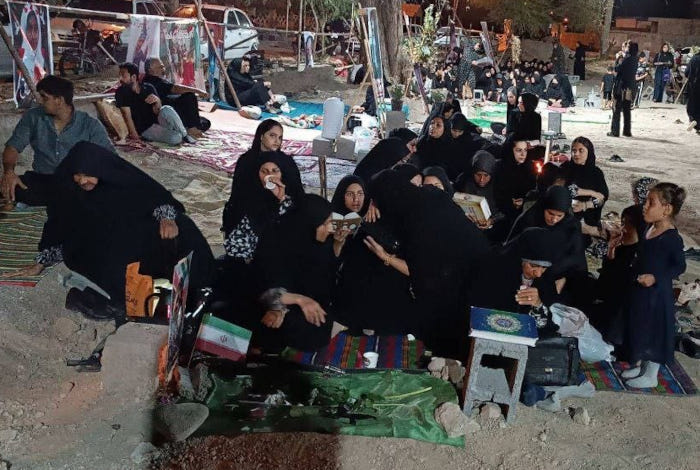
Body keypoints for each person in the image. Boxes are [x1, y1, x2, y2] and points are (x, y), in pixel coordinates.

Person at [2, 142, 215, 321]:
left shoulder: (121, 180)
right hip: (104, 246)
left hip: (138, 235)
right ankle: (130, 303)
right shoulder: (69, 190)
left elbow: (152, 194)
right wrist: (42, 262)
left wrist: (167, 218)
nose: (83, 181)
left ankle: (200, 289)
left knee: (182, 229)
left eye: (89, 175)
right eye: (78, 175)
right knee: (105, 262)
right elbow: (58, 224)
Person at [368, 169, 490, 356]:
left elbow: (419, 271)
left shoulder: (417, 221)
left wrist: (385, 256)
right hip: (479, 269)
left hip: (461, 286)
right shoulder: (431, 195)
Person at [1, 75, 115, 205]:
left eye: (45, 98)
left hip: (76, 182)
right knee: (8, 188)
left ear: (59, 100)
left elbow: (110, 157)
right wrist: (9, 172)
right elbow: (13, 147)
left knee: (98, 195)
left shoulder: (89, 125)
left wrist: (93, 178)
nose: (40, 102)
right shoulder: (33, 117)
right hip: (43, 180)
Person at [622, 183, 686, 388]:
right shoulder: (649, 228)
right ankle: (641, 367)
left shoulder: (671, 238)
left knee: (655, 334)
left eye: (651, 203)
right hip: (642, 293)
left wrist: (656, 277)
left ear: (666, 209)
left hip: (658, 296)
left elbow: (679, 266)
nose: (645, 206)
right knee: (642, 329)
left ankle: (651, 374)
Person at [254, 194, 337, 352]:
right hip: (275, 309)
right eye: (326, 224)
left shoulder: (319, 244)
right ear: (309, 223)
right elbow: (262, 286)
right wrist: (299, 300)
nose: (331, 229)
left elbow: (325, 283)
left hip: (308, 310)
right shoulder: (274, 243)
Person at [470, 227, 558, 333]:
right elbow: (479, 312)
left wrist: (537, 305)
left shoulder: (546, 279)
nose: (538, 274)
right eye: (533, 266)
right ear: (520, 259)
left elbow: (545, 325)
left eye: (544, 267)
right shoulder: (494, 270)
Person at [115, 62, 195, 145]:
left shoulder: (148, 87)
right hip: (146, 129)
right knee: (176, 138)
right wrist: (135, 136)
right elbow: (127, 116)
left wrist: (157, 101)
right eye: (119, 75)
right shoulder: (121, 92)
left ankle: (185, 135)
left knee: (167, 109)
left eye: (123, 75)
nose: (120, 78)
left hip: (159, 122)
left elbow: (157, 111)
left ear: (133, 77)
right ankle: (179, 134)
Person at [143, 57, 210, 138]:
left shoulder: (154, 80)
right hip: (164, 116)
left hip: (172, 112)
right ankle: (192, 129)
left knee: (206, 122)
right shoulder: (152, 80)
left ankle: (188, 128)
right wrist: (198, 91)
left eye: (163, 66)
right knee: (189, 96)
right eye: (160, 67)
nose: (163, 69)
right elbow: (175, 88)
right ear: (151, 70)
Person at [561, 137, 609, 229]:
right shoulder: (566, 168)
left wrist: (585, 205)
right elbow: (568, 190)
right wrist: (592, 193)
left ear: (589, 152)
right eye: (574, 150)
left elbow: (602, 198)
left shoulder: (596, 173)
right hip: (565, 219)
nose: (576, 154)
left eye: (581, 150)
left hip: (590, 222)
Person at [495, 140, 537, 224]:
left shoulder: (530, 167)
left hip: (523, 214)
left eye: (525, 150)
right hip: (500, 213)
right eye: (519, 150)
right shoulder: (500, 167)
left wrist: (524, 201)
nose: (523, 154)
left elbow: (534, 192)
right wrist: (509, 201)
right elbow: (495, 191)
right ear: (511, 151)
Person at [609, 41, 639, 137]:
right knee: (626, 110)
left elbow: (618, 69)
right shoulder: (635, 59)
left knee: (616, 108)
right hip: (630, 86)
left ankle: (615, 131)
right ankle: (627, 131)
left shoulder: (627, 59)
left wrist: (618, 58)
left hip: (621, 86)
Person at [686, 49, 700, 132]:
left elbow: (687, 72)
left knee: (692, 105)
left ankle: (692, 120)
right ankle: (698, 126)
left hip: (693, 86)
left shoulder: (694, 58)